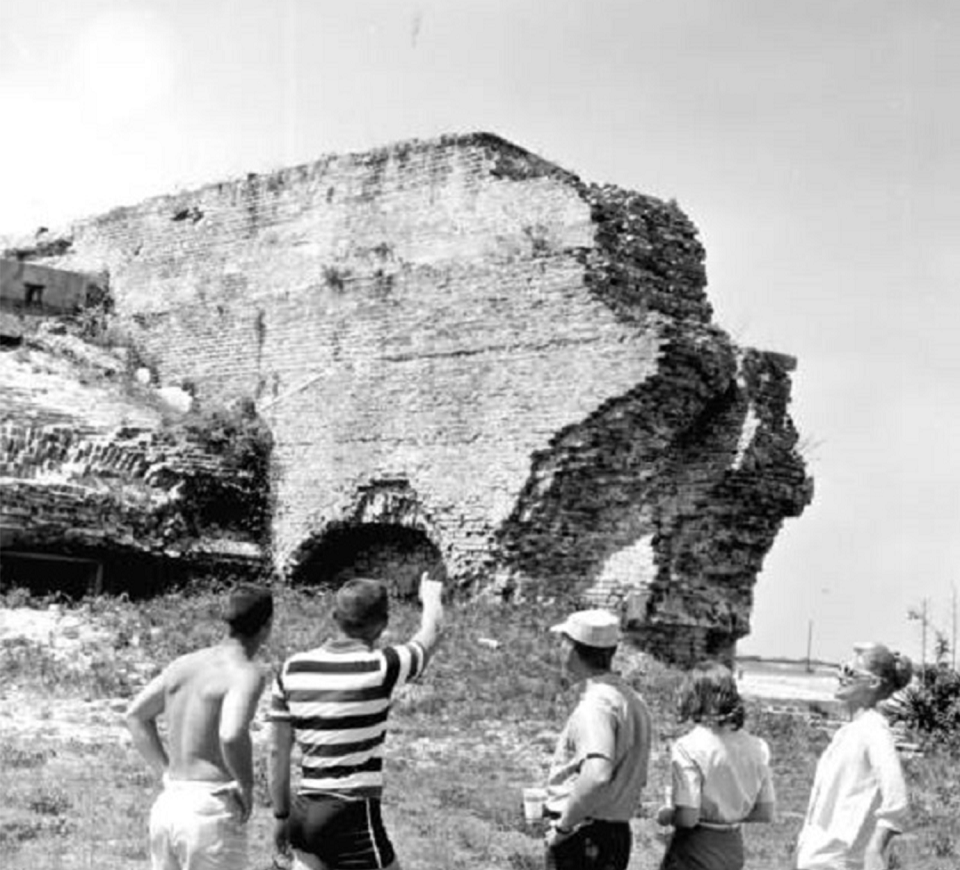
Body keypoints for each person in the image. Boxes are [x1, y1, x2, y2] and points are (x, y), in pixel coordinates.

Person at [268, 571, 444, 870]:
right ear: (383, 624)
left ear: (334, 616)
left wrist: (282, 816)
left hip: (304, 812)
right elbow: (433, 631)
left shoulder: (291, 668)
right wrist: (430, 596)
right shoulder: (382, 666)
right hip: (351, 813)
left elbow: (276, 751)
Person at [125, 584, 274, 870]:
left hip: (169, 803)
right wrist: (246, 785)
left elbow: (135, 715)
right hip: (209, 805)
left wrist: (165, 772)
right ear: (267, 626)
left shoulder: (184, 664)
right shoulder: (245, 672)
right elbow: (230, 734)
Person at [543, 608, 653, 870]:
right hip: (614, 833)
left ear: (572, 649)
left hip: (584, 836)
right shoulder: (632, 700)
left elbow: (597, 774)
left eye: (563, 642)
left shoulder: (598, 704)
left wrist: (564, 826)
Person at [796, 642, 912, 870]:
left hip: (841, 861)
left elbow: (897, 799)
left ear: (873, 683)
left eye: (850, 671)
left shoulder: (875, 731)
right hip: (818, 858)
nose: (841, 676)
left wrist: (875, 849)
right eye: (842, 668)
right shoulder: (849, 731)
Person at [655, 661, 776, 870]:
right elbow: (764, 811)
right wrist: (729, 810)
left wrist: (666, 815)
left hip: (696, 849)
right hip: (732, 847)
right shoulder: (758, 747)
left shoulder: (689, 747)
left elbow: (688, 817)